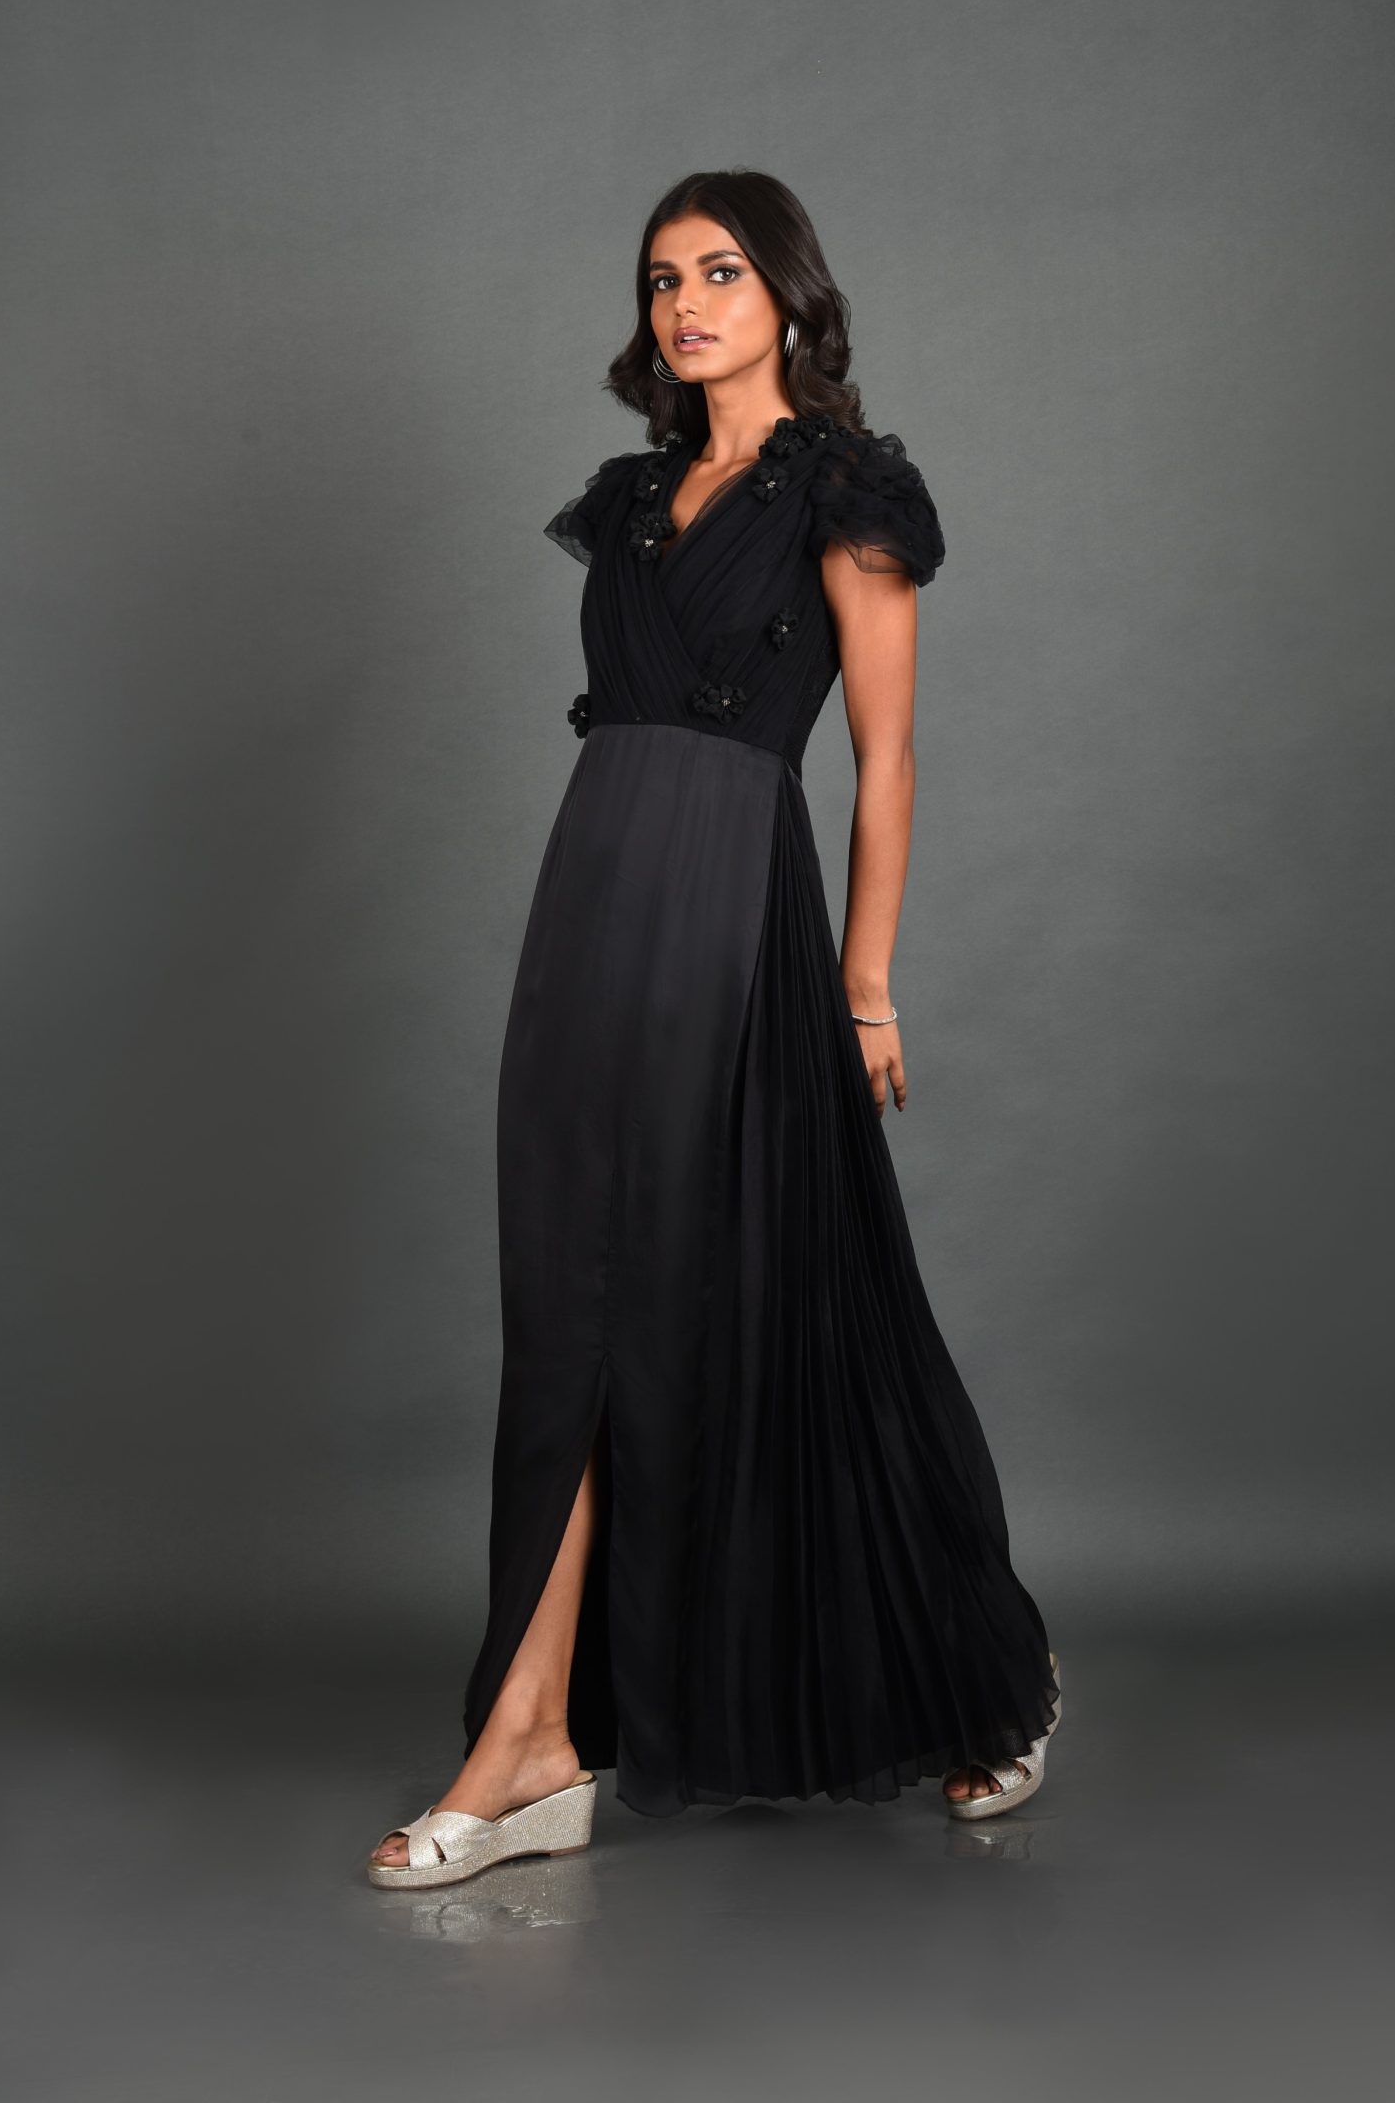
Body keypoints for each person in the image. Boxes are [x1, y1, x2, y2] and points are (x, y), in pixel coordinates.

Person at [367, 171, 1058, 1886]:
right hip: (587, 910)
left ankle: (978, 1668)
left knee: (789, 1312)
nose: (685, 303)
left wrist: (866, 983)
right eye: (663, 278)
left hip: (733, 910)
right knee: (568, 1321)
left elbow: (885, 759)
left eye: (723, 271)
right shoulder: (630, 504)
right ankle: (534, 1742)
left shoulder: (849, 488)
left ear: (791, 296)